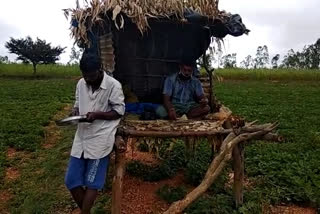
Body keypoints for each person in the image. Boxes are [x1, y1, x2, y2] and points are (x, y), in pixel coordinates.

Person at [65, 53, 125, 214]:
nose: (88, 80)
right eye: (85, 77)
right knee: (71, 180)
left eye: (91, 76)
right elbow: (77, 103)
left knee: (92, 183)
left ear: (100, 70)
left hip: (101, 137)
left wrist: (98, 115)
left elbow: (119, 111)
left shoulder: (113, 85)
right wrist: (75, 111)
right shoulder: (81, 84)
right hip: (82, 137)